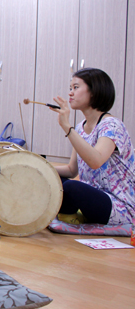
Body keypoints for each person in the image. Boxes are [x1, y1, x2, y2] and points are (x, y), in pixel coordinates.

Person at [50, 68, 135, 225]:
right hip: (96, 196)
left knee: (72, 188)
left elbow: (96, 161)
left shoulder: (112, 125)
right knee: (53, 180)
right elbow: (71, 169)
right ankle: (69, 216)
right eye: (70, 88)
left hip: (120, 206)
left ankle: (69, 216)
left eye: (76, 87)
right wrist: (40, 166)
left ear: (94, 92)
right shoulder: (81, 127)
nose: (70, 93)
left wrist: (67, 127)